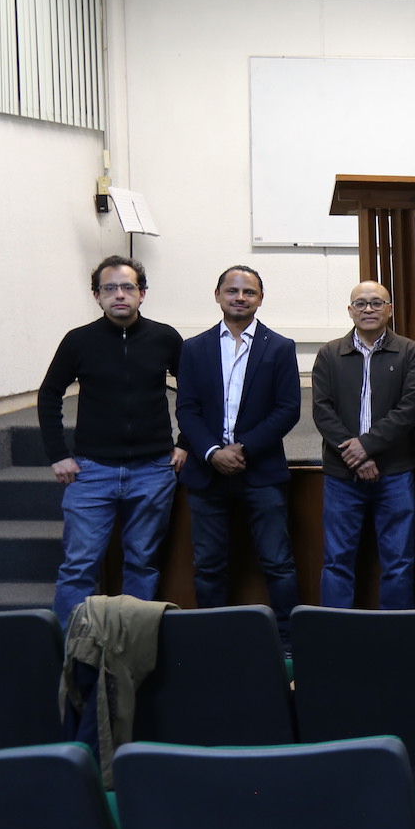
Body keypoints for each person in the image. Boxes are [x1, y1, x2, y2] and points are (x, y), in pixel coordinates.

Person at [39, 256, 185, 629]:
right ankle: (70, 655)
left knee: (142, 562)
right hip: (91, 472)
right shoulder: (78, 341)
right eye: (110, 289)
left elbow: (195, 393)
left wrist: (184, 442)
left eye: (128, 287)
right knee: (79, 566)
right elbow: (49, 394)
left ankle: (129, 651)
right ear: (97, 296)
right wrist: (58, 455)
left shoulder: (165, 338)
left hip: (152, 471)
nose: (119, 295)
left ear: (142, 294)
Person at [176, 266, 301, 638]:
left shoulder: (279, 347)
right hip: (207, 473)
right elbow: (187, 408)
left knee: (278, 563)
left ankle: (287, 643)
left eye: (249, 292)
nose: (240, 298)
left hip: (260, 472)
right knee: (209, 566)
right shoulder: (193, 348)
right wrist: (213, 451)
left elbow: (288, 409)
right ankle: (215, 640)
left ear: (260, 299)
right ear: (218, 295)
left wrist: (242, 449)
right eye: (232, 291)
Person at [310, 280, 415, 609]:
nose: (369, 309)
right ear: (350, 311)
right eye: (360, 304)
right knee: (336, 562)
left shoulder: (409, 351)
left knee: (399, 562)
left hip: (395, 472)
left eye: (377, 303)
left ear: (390, 310)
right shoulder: (329, 354)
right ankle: (334, 637)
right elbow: (322, 410)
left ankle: (395, 638)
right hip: (342, 474)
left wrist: (367, 448)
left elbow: (410, 408)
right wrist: (356, 455)